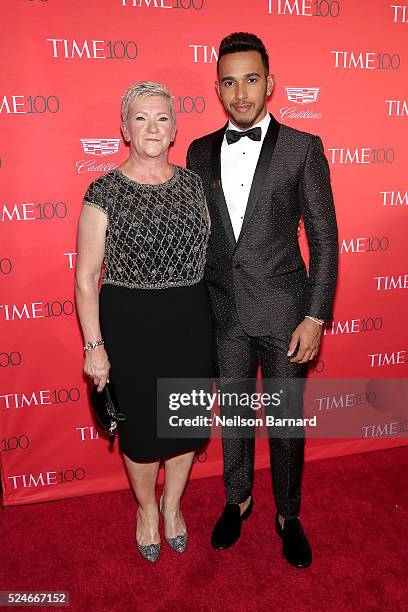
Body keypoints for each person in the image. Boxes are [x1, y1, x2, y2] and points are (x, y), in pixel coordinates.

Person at [187, 32, 338, 568]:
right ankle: (238, 499)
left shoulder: (303, 147)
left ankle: (288, 513)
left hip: (285, 313)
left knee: (285, 420)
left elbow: (323, 239)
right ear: (218, 89)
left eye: (251, 79)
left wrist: (316, 315)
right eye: (229, 82)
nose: (241, 92)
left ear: (270, 83)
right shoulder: (199, 151)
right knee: (233, 415)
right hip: (223, 313)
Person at [75, 81, 212, 563]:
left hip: (191, 324)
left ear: (174, 129)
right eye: (140, 117)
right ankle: (147, 510)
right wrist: (95, 346)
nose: (152, 127)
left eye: (161, 118)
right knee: (142, 432)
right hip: (129, 327)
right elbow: (88, 279)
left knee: (184, 425)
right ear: (124, 128)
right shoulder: (103, 191)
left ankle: (173, 506)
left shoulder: (196, 185)